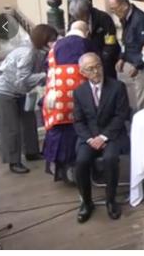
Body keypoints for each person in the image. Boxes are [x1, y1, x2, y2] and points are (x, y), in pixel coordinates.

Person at [0, 24, 58, 173]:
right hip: (4, 92)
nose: (54, 42)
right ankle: (13, 161)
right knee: (10, 128)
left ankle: (32, 152)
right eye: (52, 39)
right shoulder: (28, 53)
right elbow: (22, 80)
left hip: (22, 92)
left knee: (29, 122)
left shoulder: (39, 51)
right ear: (43, 40)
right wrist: (46, 76)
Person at [73, 52, 130, 223]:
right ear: (82, 72)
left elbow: (121, 115)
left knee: (110, 158)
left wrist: (104, 137)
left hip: (112, 134)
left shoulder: (117, 87)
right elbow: (78, 121)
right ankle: (86, 202)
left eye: (98, 66)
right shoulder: (79, 92)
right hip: (89, 136)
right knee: (81, 161)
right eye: (90, 69)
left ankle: (111, 201)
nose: (96, 71)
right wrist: (91, 139)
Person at [41, 21, 95, 182]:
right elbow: (94, 66)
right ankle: (80, 168)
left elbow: (47, 67)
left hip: (55, 95)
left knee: (58, 128)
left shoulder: (55, 47)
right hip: (79, 93)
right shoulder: (86, 44)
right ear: (86, 32)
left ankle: (59, 168)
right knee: (80, 126)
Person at [109, 0, 144, 112]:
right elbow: (125, 40)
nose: (113, 12)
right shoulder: (125, 17)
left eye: (114, 9)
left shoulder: (140, 19)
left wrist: (138, 66)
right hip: (132, 62)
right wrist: (122, 57)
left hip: (143, 65)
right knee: (137, 98)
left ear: (124, 6)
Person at [69, 0, 121, 79]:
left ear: (88, 11)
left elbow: (110, 41)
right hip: (87, 60)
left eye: (82, 16)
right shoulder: (73, 21)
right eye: (77, 17)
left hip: (105, 57)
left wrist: (103, 57)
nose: (81, 20)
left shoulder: (103, 18)